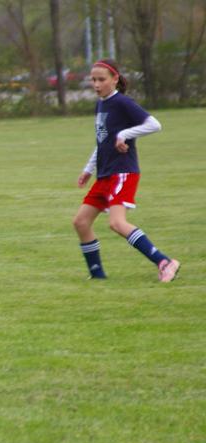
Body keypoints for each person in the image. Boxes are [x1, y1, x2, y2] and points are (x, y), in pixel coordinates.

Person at [72, 59, 180, 282]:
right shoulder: (100, 104)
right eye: (93, 80)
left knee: (117, 223)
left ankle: (164, 262)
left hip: (122, 171)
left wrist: (125, 134)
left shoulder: (122, 102)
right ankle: (98, 277)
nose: (96, 85)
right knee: (81, 222)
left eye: (101, 79)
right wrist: (88, 169)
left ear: (115, 79)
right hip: (105, 174)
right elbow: (102, 141)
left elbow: (154, 124)